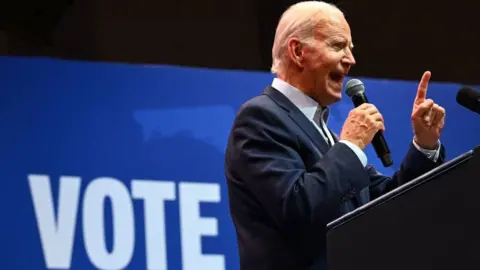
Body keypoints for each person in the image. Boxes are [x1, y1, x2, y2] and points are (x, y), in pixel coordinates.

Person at [224, 1, 446, 270]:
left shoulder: (324, 133)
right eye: (338, 46)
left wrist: (425, 145)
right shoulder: (260, 117)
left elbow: (388, 202)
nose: (351, 60)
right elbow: (299, 210)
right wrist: (351, 145)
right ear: (297, 51)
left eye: (350, 49)